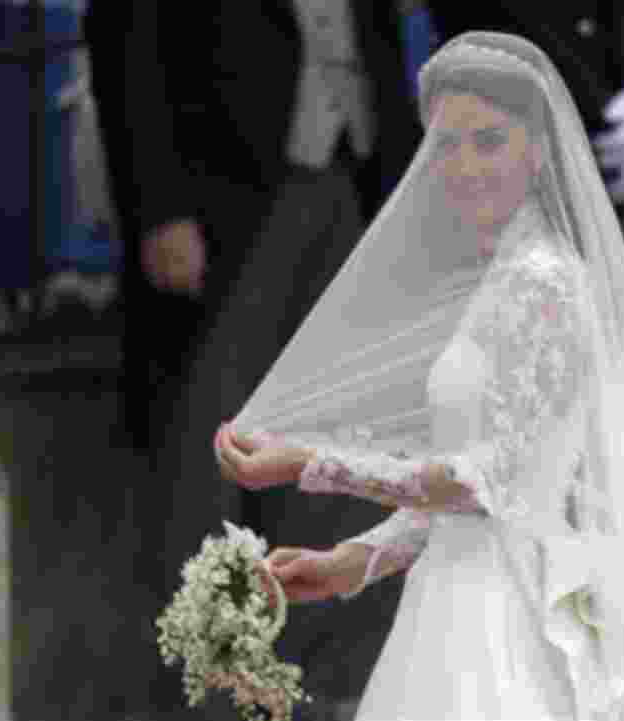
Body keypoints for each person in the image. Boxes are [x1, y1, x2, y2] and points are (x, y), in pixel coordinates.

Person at [215, 32, 624, 721]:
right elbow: (493, 485)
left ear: (539, 152)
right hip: (459, 589)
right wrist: (356, 559)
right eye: (447, 145)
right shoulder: (501, 275)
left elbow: (483, 481)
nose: (463, 165)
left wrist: (311, 464)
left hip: (509, 609)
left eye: (488, 142)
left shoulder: (543, 281)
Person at [83, 2, 419, 718]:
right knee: (207, 457)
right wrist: (159, 206)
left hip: (348, 173)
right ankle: (213, 693)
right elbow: (128, 31)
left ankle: (315, 686)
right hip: (223, 189)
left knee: (328, 451)